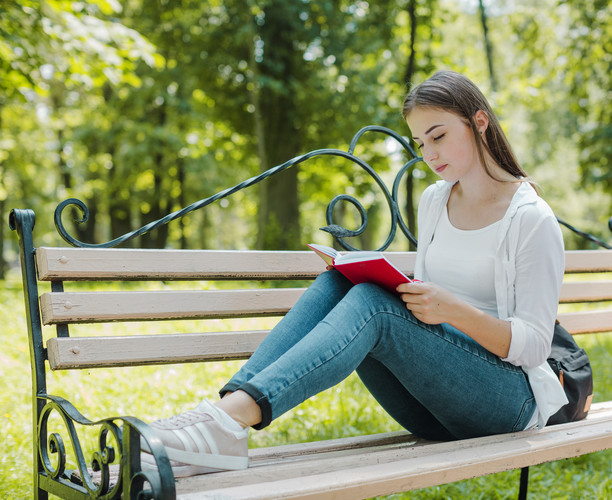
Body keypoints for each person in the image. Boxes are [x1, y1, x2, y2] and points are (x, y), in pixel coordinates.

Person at [141, 70, 567, 477]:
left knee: (372, 306)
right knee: (343, 280)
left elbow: (532, 347)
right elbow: (426, 307)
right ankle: (224, 414)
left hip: (508, 403)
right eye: (420, 142)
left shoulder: (531, 219)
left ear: (479, 123)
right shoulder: (437, 201)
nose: (429, 154)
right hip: (436, 404)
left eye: (438, 136)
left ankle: (226, 425)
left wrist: (452, 310)